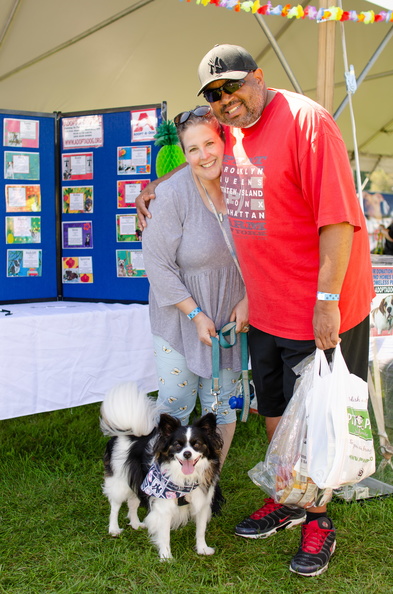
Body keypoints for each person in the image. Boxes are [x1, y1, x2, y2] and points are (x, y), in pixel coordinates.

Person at [137, 44, 374, 577]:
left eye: (234, 86)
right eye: (215, 94)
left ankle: (319, 520)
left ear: (259, 78)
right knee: (276, 419)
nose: (227, 99)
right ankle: (291, 500)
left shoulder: (308, 123)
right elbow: (199, 167)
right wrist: (155, 188)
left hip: (319, 306)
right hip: (265, 313)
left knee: (319, 423)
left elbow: (338, 220)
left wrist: (328, 301)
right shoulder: (232, 135)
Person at [142, 105, 248, 469]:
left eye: (210, 143)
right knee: (176, 403)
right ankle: (166, 486)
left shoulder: (244, 184)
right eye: (193, 149)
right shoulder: (171, 195)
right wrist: (196, 314)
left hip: (231, 317)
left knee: (221, 406)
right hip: (180, 316)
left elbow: (267, 249)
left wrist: (250, 299)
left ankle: (207, 483)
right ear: (184, 156)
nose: (204, 156)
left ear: (225, 140)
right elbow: (156, 265)